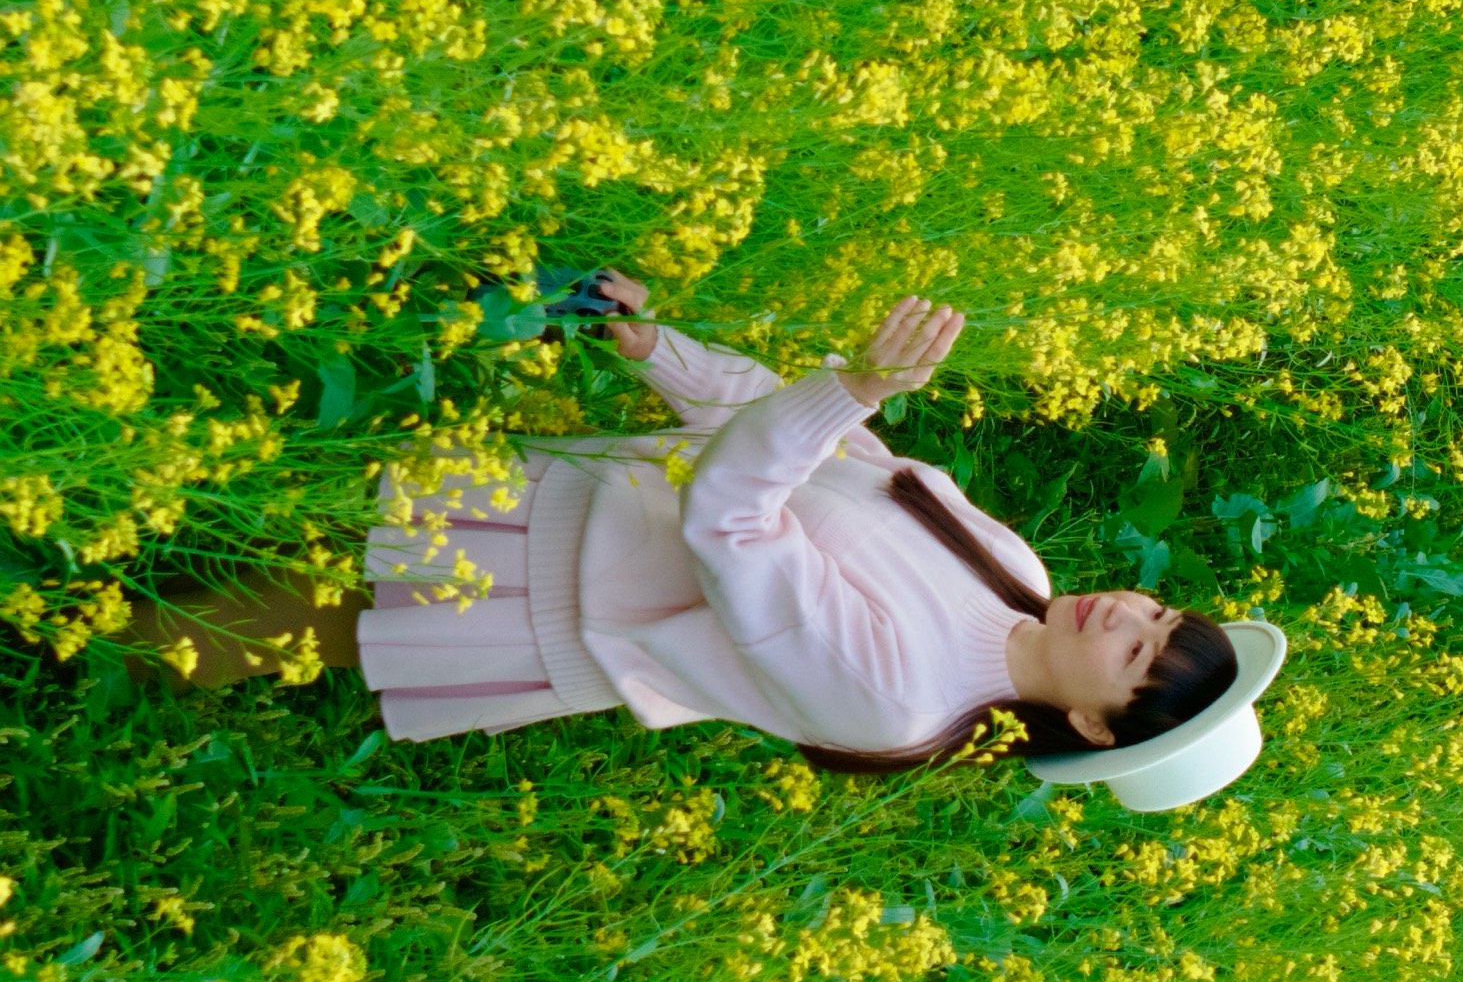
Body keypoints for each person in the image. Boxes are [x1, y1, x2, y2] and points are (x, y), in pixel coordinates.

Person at [124, 279, 1287, 810]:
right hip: (538, 495)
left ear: (1089, 724)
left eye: (1135, 660)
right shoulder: (1017, 576)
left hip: (520, 605)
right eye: (1157, 616)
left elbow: (734, 518)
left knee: (164, 623)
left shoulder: (896, 704)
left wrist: (855, 383)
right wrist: (652, 349)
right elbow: (830, 456)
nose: (1125, 618)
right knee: (174, 475)